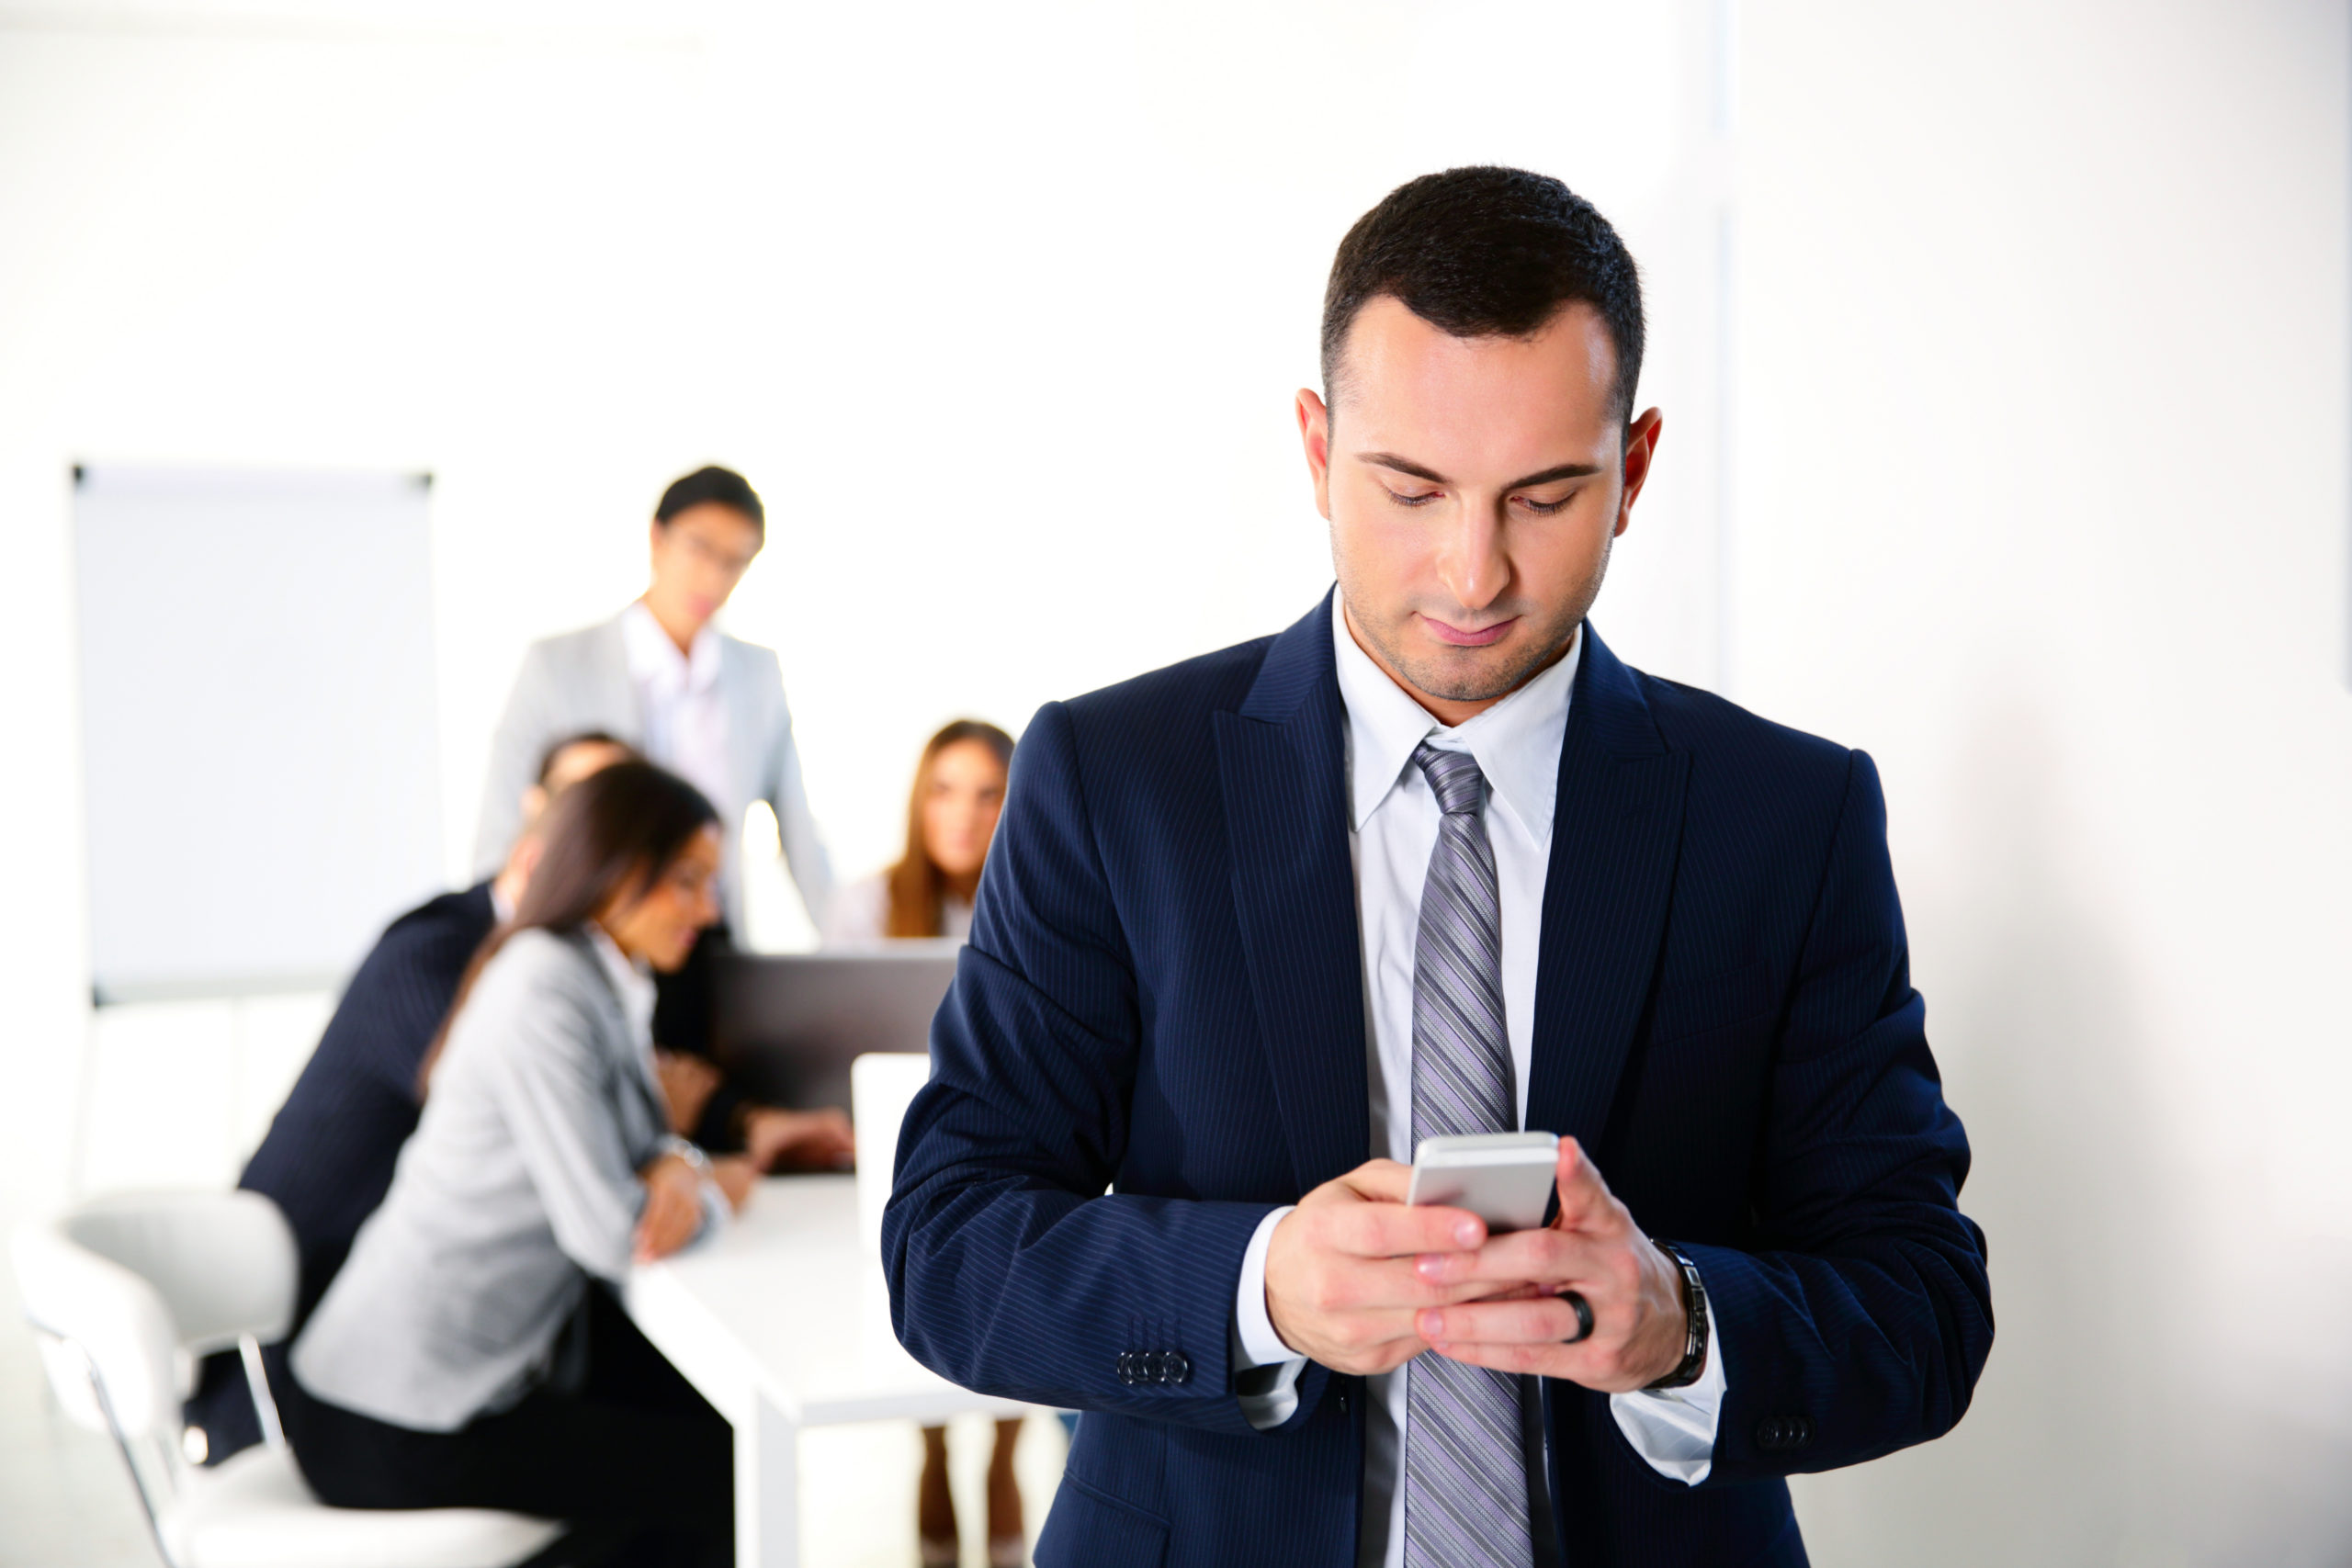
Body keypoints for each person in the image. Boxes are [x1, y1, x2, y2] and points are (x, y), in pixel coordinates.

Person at [884, 167, 1993, 1568]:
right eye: (1411, 490)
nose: (1473, 575)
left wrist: (1680, 1322)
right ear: (1314, 448)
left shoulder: (1789, 813)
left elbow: (1922, 1300)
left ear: (1634, 469)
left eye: (1543, 497)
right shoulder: (1114, 778)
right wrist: (1258, 1284)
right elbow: (949, 1239)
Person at [283, 761, 746, 1567]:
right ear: (615, 868)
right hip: (386, 1415)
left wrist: (675, 1162)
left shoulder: (601, 975)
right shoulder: (544, 986)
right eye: (688, 882)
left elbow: (641, 1154)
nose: (708, 911)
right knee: (718, 1471)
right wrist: (711, 1190)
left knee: (705, 1422)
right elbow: (613, 1232)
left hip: (459, 1381)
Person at [181, 730, 634, 1462]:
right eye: (584, 811)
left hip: (418, 1342)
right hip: (294, 1361)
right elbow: (570, 1121)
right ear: (532, 831)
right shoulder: (434, 954)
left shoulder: (573, 966)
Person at [472, 463, 834, 1057]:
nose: (713, 575)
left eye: (735, 560)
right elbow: (503, 835)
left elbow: (798, 829)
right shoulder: (557, 664)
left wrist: (852, 952)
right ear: (656, 539)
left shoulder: (756, 676)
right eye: (699, 548)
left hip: (707, 945)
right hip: (601, 946)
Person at [821, 719, 1022, 1567]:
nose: (963, 814)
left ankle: (1007, 1458)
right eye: (944, 789)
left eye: (987, 793)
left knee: (1018, 1293)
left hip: (1017, 1156)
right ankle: (936, 1451)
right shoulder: (867, 905)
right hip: (899, 1161)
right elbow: (829, 1040)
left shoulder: (1040, 897)